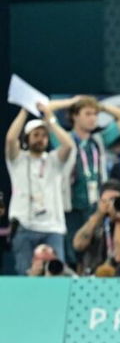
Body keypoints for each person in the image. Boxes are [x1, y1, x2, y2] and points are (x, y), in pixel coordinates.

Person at [46, 95, 120, 267]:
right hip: (71, 206)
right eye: (88, 113)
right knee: (73, 251)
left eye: (95, 114)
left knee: (96, 251)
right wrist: (71, 103)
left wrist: (101, 107)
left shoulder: (99, 140)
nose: (93, 118)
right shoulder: (63, 138)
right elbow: (47, 110)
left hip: (96, 206)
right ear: (74, 116)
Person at [5, 106, 75, 274]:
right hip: (24, 226)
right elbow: (10, 139)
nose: (40, 139)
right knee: (26, 274)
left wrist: (50, 120)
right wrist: (24, 111)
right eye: (36, 135)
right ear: (27, 138)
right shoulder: (18, 159)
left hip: (52, 228)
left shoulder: (54, 160)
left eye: (44, 136)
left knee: (56, 275)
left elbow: (69, 145)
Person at [72, 180, 120, 276]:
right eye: (107, 201)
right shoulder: (95, 223)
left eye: (115, 200)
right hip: (93, 275)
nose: (111, 204)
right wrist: (98, 215)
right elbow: (78, 245)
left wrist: (119, 221)